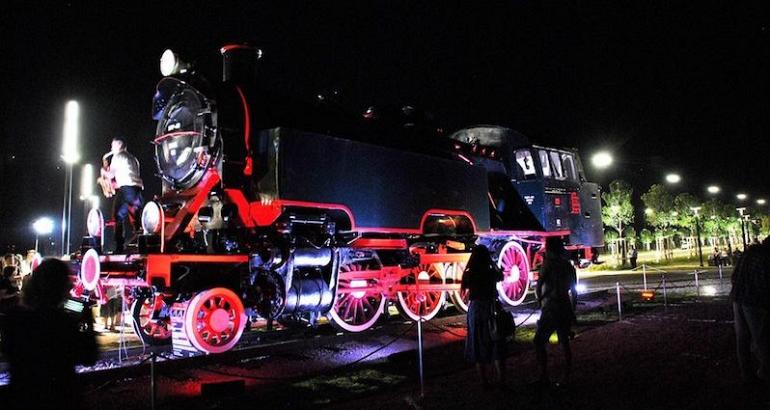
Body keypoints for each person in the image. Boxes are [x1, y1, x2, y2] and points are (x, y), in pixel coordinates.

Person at [0, 258, 97, 409]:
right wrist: (87, 324)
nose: (70, 285)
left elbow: (8, 351)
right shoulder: (63, 321)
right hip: (59, 397)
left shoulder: (14, 316)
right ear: (59, 287)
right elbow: (89, 357)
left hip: (21, 396)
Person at [534, 236, 578, 385]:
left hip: (551, 306)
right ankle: (566, 376)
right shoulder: (568, 266)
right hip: (565, 306)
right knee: (564, 342)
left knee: (539, 341)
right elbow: (574, 292)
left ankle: (544, 376)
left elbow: (539, 286)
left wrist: (540, 301)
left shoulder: (547, 265)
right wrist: (573, 310)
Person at [461, 244, 506, 389]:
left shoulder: (470, 273)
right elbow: (501, 275)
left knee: (477, 343)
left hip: (476, 310)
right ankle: (501, 379)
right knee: (496, 342)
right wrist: (492, 263)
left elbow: (464, 289)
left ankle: (484, 381)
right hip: (491, 308)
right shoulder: (491, 272)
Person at [730, 237, 770, 385]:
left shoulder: (748, 254)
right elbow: (764, 282)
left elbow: (734, 276)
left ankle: (746, 373)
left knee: (742, 339)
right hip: (753, 301)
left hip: (738, 298)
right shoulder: (765, 258)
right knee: (761, 338)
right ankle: (765, 371)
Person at [103, 138, 145, 253]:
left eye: (113, 145)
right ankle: (143, 246)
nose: (111, 148)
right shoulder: (133, 158)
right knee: (136, 221)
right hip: (137, 191)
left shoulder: (118, 157)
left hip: (126, 190)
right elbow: (129, 177)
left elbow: (110, 175)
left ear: (119, 145)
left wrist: (103, 172)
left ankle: (119, 247)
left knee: (117, 217)